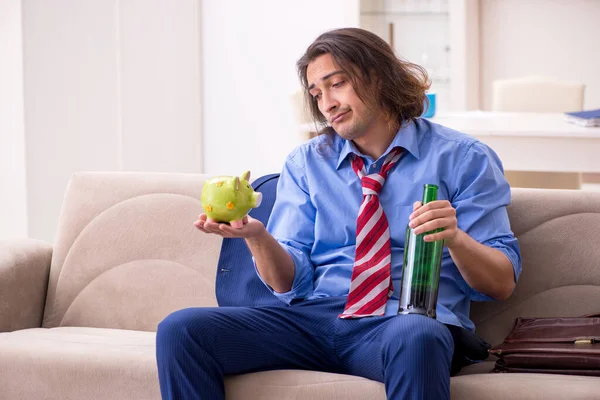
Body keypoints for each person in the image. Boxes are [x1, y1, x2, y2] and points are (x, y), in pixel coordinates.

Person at [155, 27, 521, 400]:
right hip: (314, 319)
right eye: (317, 93)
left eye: (337, 84)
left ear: (379, 76)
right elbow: (286, 284)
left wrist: (456, 239)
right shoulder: (307, 162)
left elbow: (501, 283)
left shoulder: (464, 158)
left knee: (417, 334)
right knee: (182, 329)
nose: (327, 103)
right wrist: (256, 237)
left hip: (400, 324)